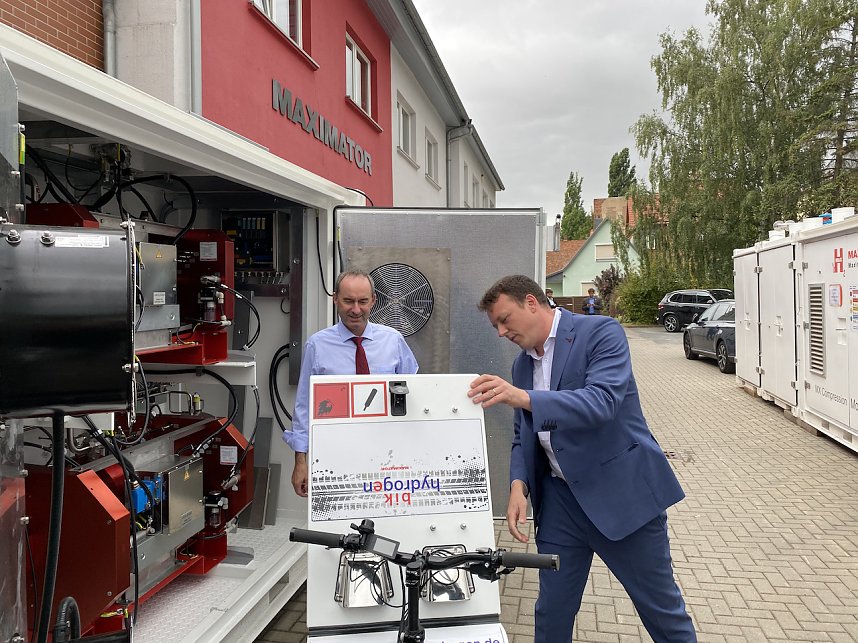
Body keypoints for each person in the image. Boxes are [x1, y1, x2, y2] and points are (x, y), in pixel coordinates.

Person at [468, 275, 695, 642]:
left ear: (531, 302)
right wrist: (517, 484)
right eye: (495, 325)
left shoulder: (601, 333)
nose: (500, 332)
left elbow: (601, 402)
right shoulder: (522, 366)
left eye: (504, 320)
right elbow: (522, 434)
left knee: (661, 610)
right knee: (551, 611)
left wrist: (524, 398)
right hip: (560, 503)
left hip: (622, 497)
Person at [283, 270, 418, 496]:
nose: (356, 309)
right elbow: (304, 407)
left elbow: (414, 396)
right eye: (348, 301)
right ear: (335, 299)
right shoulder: (317, 346)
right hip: (335, 455)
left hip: (389, 454)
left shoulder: (393, 341)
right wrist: (300, 462)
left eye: (363, 301)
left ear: (373, 300)